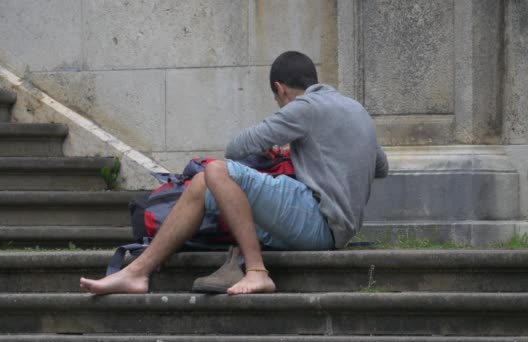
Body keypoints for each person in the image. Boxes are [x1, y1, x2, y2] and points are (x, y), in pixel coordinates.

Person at [80, 51, 388, 295]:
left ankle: (256, 270)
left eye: (277, 98)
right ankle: (137, 273)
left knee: (216, 171)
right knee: (202, 184)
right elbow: (380, 168)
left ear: (280, 90)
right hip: (339, 229)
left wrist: (283, 141)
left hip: (318, 220)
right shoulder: (356, 110)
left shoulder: (305, 107)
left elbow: (237, 147)